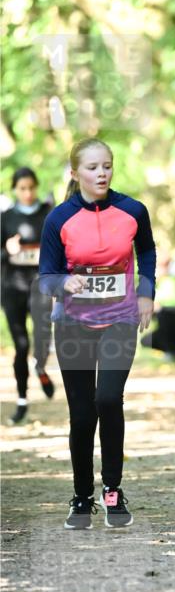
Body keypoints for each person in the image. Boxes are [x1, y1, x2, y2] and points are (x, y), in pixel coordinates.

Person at [39, 138, 156, 530]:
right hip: (73, 324)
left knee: (108, 399)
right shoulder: (58, 219)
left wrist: (145, 293)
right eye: (92, 167)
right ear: (75, 174)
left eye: (107, 165)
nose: (101, 173)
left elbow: (148, 253)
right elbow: (45, 278)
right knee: (82, 413)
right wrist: (63, 284)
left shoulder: (133, 211)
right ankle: (81, 495)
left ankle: (113, 491)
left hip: (121, 320)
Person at [1, 167, 55, 424]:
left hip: (39, 286)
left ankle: (41, 367)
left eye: (31, 187)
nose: (27, 193)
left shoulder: (47, 214)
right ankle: (22, 400)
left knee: (42, 339)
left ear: (36, 186)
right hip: (12, 288)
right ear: (14, 189)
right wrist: (8, 251)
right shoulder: (6, 217)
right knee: (20, 346)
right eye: (22, 188)